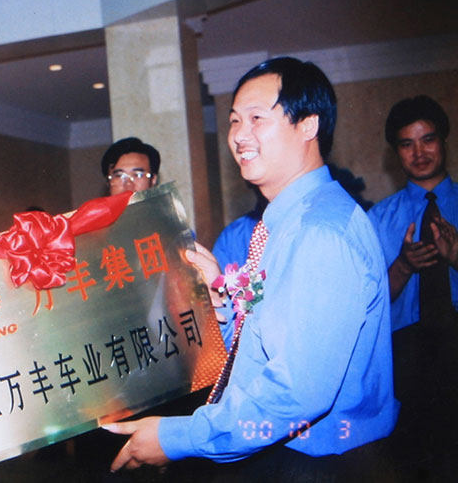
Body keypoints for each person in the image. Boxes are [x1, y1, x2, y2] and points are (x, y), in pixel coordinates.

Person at [104, 57, 398, 480]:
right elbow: (263, 350)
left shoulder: (319, 232)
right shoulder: (288, 223)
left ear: (308, 125)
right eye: (234, 120)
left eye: (257, 118)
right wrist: (220, 301)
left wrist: (179, 438)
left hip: (314, 463)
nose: (239, 135)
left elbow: (297, 390)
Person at [367, 95, 458, 478]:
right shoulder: (377, 219)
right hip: (408, 360)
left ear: (444, 141)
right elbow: (367, 306)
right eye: (407, 144)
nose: (419, 153)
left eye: (428, 140)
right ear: (396, 152)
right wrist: (404, 265)